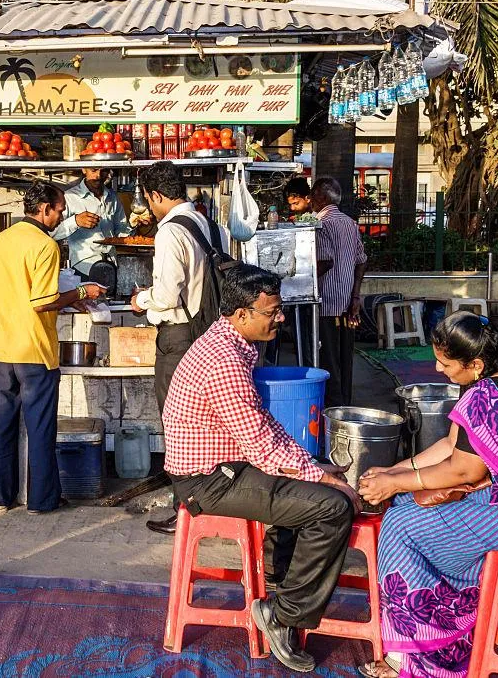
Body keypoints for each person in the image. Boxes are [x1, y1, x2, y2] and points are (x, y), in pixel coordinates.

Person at [357, 311, 498, 678]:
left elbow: (466, 470)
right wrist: (396, 471)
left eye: (445, 362)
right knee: (404, 505)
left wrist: (396, 482)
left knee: (401, 525)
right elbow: (452, 445)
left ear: (475, 362)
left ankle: (423, 656)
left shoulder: (489, 393)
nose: (436, 368)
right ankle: (455, 626)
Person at [163, 263, 360, 672]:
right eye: (272, 312)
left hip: (230, 465)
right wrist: (322, 476)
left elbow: (264, 428)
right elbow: (260, 444)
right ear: (240, 315)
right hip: (208, 481)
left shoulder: (236, 345)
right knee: (333, 507)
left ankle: (279, 585)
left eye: (279, 309)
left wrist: (310, 465)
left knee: (311, 488)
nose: (281, 318)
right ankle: (282, 613)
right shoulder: (224, 362)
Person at [0, 181, 104, 514]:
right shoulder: (45, 246)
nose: (62, 213)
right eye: (60, 208)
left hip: (2, 345)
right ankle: (41, 499)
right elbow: (42, 301)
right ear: (44, 209)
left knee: (1, 424)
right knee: (39, 427)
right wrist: (83, 293)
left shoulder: (3, 238)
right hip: (34, 349)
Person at [133, 161, 227, 536]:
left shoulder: (170, 231)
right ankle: (204, 502)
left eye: (148, 200)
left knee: (177, 426)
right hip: (204, 330)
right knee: (201, 422)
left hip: (179, 336)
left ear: (156, 195)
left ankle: (185, 508)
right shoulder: (203, 223)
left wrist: (142, 301)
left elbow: (168, 293)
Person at [312, 176, 366, 408]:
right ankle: (345, 408)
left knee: (328, 363)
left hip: (326, 304)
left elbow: (324, 261)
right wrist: (355, 296)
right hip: (346, 304)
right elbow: (362, 261)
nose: (310, 200)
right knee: (345, 362)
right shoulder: (350, 224)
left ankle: (333, 413)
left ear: (321, 197)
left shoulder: (320, 223)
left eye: (312, 195)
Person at [51, 167, 129, 277]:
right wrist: (76, 221)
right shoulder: (70, 197)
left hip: (111, 266)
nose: (98, 176)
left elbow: (122, 231)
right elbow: (52, 233)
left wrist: (135, 224)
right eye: (94, 170)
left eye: (104, 171)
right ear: (84, 170)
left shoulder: (113, 196)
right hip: (83, 267)